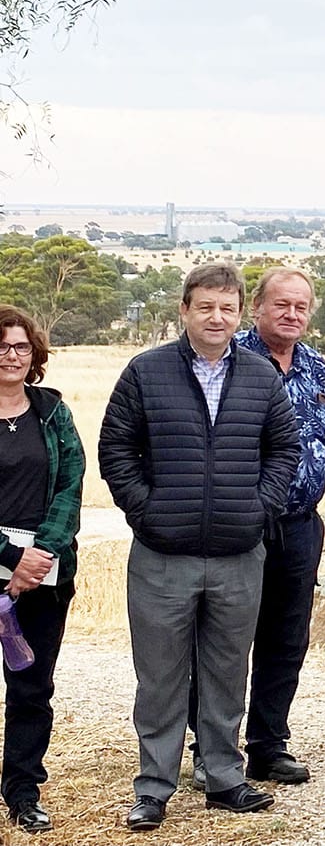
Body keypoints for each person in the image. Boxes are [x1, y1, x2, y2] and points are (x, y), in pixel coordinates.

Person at [99, 263, 300, 832]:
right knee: (160, 677)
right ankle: (154, 787)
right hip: (164, 556)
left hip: (239, 555)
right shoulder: (146, 371)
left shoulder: (260, 376)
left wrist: (258, 509)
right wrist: (149, 512)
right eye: (205, 306)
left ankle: (223, 778)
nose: (217, 317)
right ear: (184, 309)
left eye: (228, 308)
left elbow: (284, 449)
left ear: (240, 315)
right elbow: (116, 449)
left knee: (226, 671)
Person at [200, 268, 325, 785]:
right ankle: (211, 748)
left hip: (300, 527)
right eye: (281, 304)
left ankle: (267, 745)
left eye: (301, 306)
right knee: (225, 641)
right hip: (239, 526)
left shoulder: (316, 367)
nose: (292, 314)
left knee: (285, 639)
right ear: (255, 306)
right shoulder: (227, 358)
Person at [0, 306, 83, 835]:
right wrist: (10, 557)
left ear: (35, 355)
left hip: (44, 575)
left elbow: (71, 487)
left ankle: (23, 789)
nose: (11, 355)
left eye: (21, 347)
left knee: (32, 687)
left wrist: (39, 557)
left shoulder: (52, 414)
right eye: (2, 346)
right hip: (10, 563)